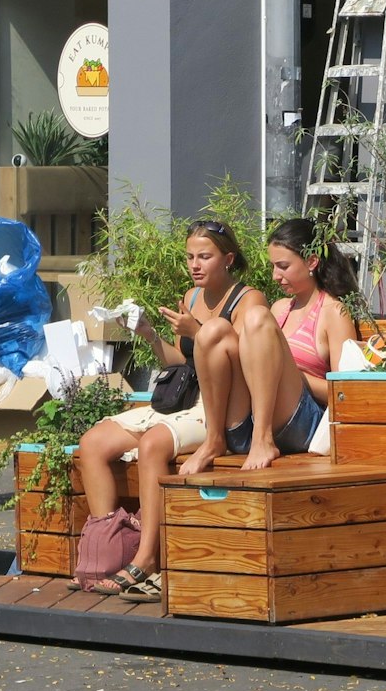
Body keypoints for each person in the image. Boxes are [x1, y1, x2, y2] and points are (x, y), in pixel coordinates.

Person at [72, 219, 266, 601]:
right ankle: (107, 552)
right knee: (92, 443)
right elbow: (181, 360)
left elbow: (248, 363)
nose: (195, 265)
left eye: (205, 257)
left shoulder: (249, 300)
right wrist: (149, 334)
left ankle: (147, 559)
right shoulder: (192, 297)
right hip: (186, 396)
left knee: (153, 445)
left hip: (221, 405)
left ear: (227, 258)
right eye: (190, 257)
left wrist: (198, 330)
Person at [180, 217, 357, 475]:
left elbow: (344, 394)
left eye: (283, 266)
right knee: (213, 330)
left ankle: (263, 439)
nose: (275, 276)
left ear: (311, 262)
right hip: (249, 421)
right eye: (273, 266)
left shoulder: (333, 312)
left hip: (300, 424)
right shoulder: (280, 308)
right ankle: (214, 438)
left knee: (256, 316)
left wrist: (293, 375)